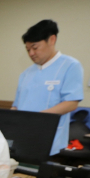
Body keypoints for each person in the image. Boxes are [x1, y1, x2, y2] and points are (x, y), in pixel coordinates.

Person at [12, 20, 84, 155]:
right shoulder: (25, 73)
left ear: (52, 40)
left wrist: (37, 118)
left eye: (35, 47)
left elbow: (71, 103)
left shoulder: (70, 66)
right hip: (22, 138)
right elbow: (16, 106)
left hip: (50, 140)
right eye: (28, 50)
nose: (31, 53)